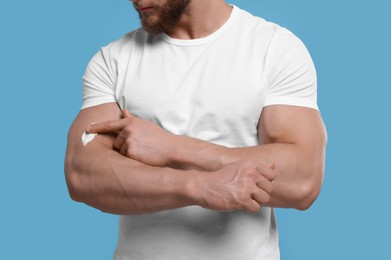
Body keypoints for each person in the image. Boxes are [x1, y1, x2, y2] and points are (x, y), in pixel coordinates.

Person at [65, 0, 327, 259]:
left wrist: (174, 148)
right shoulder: (113, 61)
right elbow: (82, 173)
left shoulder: (273, 48)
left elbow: (303, 180)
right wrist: (198, 187)